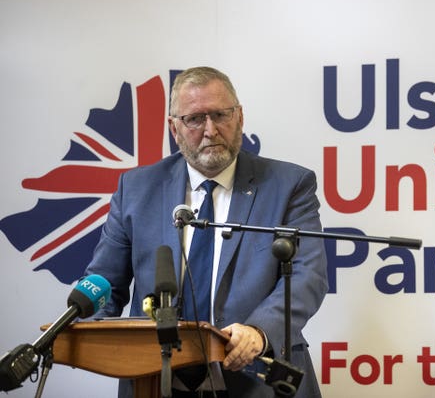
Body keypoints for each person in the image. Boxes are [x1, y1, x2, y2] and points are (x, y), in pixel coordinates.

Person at [84, 66, 329, 398]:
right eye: (195, 119)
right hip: (156, 378)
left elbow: (307, 276)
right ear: (174, 128)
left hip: (258, 376)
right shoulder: (137, 189)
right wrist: (101, 339)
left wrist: (258, 332)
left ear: (239, 117)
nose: (211, 130)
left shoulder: (289, 185)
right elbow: (105, 284)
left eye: (220, 115)